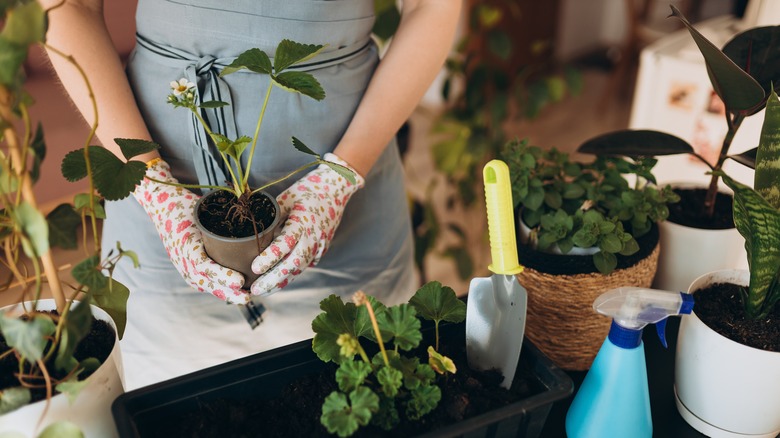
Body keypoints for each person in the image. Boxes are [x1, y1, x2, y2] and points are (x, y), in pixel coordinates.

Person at [43, 0, 461, 390]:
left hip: (353, 217)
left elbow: (432, 6)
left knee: (365, 386)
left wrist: (338, 179)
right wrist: (154, 187)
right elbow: (69, 6)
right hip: (157, 220)